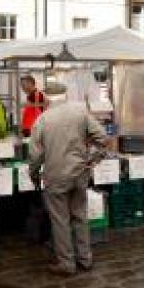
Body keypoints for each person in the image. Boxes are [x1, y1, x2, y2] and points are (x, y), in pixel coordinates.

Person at [28, 81, 108, 275]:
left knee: (60, 220)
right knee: (80, 216)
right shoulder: (81, 112)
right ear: (65, 95)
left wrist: (33, 174)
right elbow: (103, 138)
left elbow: (35, 155)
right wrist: (93, 159)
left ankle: (66, 263)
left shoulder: (42, 120)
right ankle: (85, 258)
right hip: (80, 173)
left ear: (46, 97)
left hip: (55, 176)